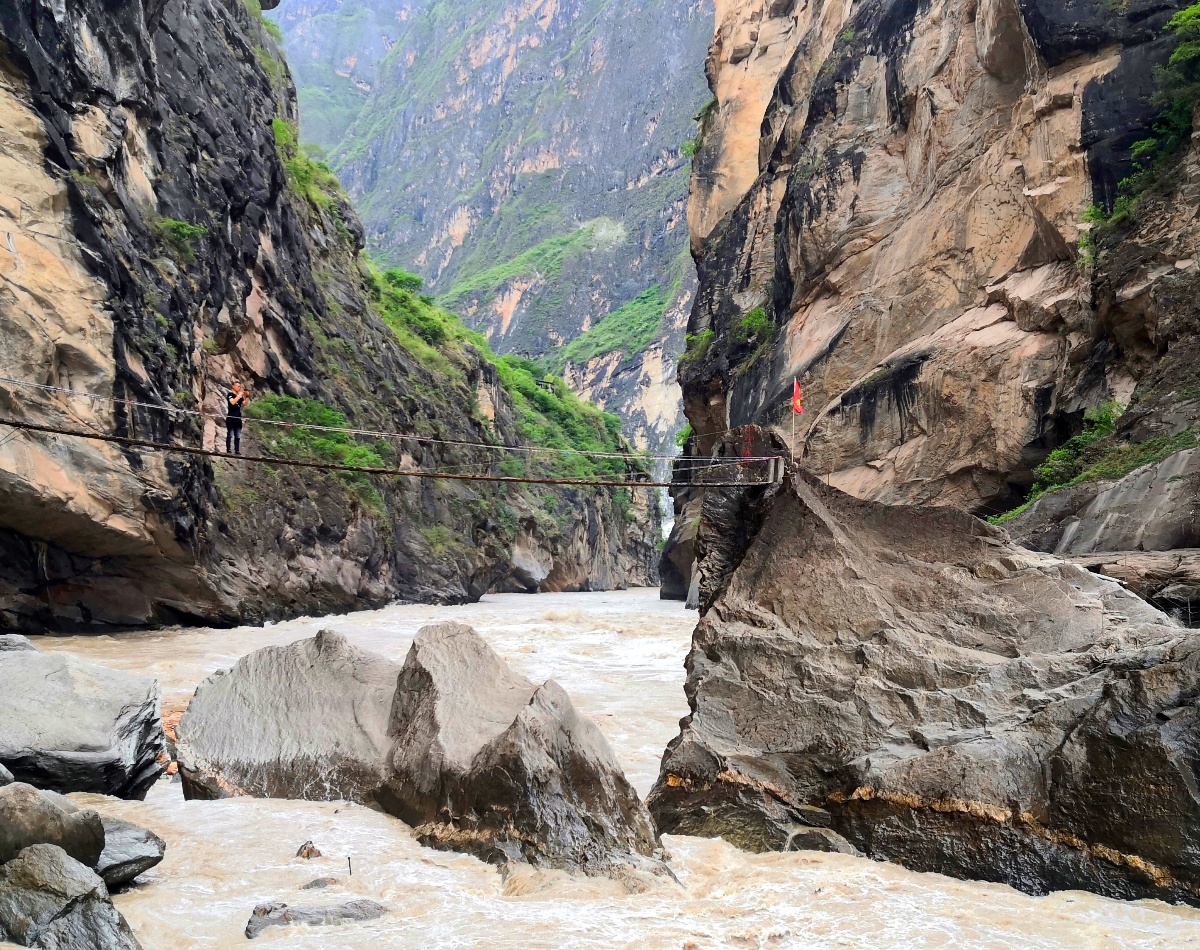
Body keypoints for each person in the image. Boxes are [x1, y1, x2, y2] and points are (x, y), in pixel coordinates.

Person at [225, 381, 250, 455]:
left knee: (238, 435)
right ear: (233, 386)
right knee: (230, 433)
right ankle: (228, 449)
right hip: (231, 416)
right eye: (238, 386)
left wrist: (247, 396)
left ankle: (237, 450)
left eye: (240, 387)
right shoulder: (230, 394)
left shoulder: (240, 396)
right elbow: (232, 402)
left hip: (238, 418)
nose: (239, 388)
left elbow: (245, 404)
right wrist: (239, 395)